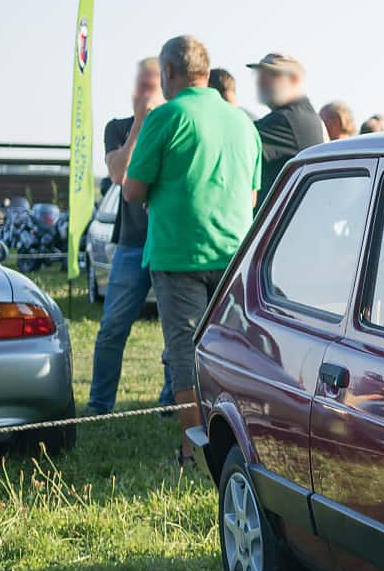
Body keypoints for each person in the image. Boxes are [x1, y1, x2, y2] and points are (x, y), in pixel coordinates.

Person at [122, 35, 262, 463]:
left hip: (179, 254)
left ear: (168, 73)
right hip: (235, 255)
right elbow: (253, 197)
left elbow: (132, 190)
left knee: (185, 351)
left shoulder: (166, 116)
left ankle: (192, 445)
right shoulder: (242, 121)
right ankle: (239, 437)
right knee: (233, 349)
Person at [84, 57, 165, 416]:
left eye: (153, 83)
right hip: (132, 242)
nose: (146, 89)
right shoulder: (118, 128)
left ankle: (168, 404)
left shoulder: (175, 124)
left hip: (168, 241)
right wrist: (139, 124)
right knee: (112, 327)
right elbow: (118, 174)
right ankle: (100, 405)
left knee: (174, 332)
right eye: (142, 82)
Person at [247, 51, 325, 184]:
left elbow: (237, 139)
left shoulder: (287, 120)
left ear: (294, 79)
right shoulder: (307, 115)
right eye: (260, 74)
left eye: (271, 74)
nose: (260, 81)